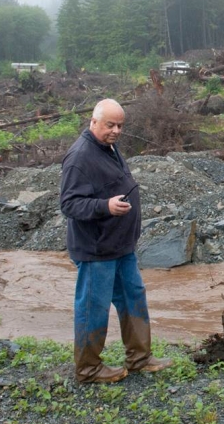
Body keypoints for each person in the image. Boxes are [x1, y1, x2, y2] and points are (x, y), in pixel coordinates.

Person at [59, 99, 172, 384]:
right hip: (96, 249)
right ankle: (88, 369)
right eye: (110, 125)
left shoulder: (108, 147)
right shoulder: (80, 156)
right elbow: (69, 204)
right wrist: (104, 207)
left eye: (120, 125)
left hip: (121, 247)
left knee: (134, 298)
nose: (116, 130)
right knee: (93, 308)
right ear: (93, 122)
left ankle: (139, 358)